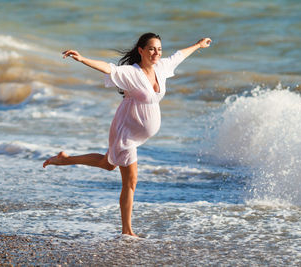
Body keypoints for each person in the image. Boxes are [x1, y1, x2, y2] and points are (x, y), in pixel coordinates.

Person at [43, 33, 212, 237]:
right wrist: (82, 59)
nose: (156, 53)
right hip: (126, 130)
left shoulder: (162, 68)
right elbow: (109, 68)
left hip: (135, 133)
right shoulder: (131, 73)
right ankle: (127, 231)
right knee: (130, 182)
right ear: (141, 51)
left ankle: (65, 159)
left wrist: (198, 45)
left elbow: (179, 55)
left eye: (159, 49)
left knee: (108, 163)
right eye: (151, 49)